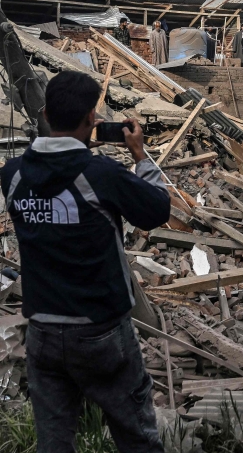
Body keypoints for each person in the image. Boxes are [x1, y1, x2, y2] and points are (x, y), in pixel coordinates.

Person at [0, 71, 171, 452]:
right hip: (101, 330)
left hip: (42, 329)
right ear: (92, 119)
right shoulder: (100, 174)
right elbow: (158, 209)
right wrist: (140, 155)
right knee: (136, 436)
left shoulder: (12, 176)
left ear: (44, 113)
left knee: (55, 443)